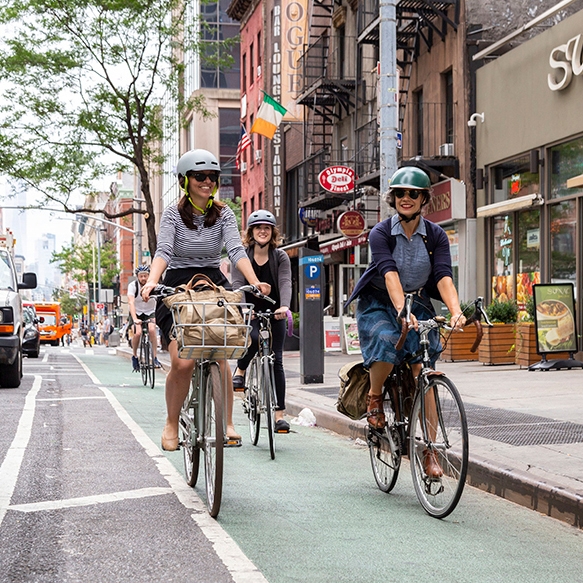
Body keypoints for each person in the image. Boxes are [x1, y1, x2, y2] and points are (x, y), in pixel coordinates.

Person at [140, 149, 271, 452]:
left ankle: (226, 423)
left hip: (213, 281)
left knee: (221, 352)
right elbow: (163, 252)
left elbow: (236, 250)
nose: (207, 181)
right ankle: (172, 422)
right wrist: (151, 281)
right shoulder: (173, 213)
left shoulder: (224, 213)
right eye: (200, 176)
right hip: (176, 283)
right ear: (185, 181)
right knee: (183, 361)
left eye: (212, 176)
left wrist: (254, 283)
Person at [346, 166, 466, 478]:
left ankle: (430, 451)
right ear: (393, 198)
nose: (406, 198)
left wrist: (455, 311)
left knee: (423, 368)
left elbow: (443, 276)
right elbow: (388, 273)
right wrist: (401, 310)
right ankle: (375, 398)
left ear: (424, 198)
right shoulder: (381, 233)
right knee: (387, 340)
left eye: (413, 193)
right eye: (400, 193)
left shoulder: (436, 236)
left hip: (419, 301)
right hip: (379, 301)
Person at [231, 210, 292, 433]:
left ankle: (279, 416)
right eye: (258, 228)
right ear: (251, 232)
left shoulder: (281, 256)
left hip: (275, 311)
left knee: (276, 360)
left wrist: (284, 306)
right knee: (254, 338)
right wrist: (245, 309)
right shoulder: (241, 256)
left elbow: (285, 281)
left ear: (272, 232)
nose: (263, 231)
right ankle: (241, 369)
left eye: (267, 228)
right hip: (250, 311)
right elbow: (238, 284)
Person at [128, 265, 161, 371]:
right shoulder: (133, 286)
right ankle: (135, 356)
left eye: (145, 276)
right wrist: (135, 319)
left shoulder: (155, 286)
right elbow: (131, 302)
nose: (143, 278)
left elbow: (160, 300)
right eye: (141, 276)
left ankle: (155, 357)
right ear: (137, 276)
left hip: (150, 311)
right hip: (136, 312)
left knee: (152, 330)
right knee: (137, 333)